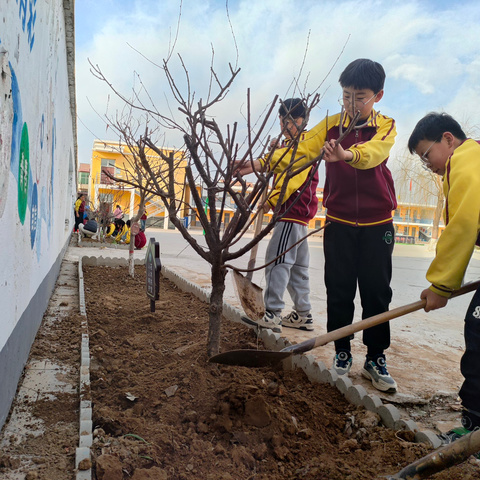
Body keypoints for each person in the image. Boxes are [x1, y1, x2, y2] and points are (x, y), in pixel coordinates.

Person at [241, 60, 397, 392]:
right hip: (339, 220)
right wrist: (260, 164)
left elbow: (374, 154)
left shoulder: (385, 126)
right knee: (339, 287)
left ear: (378, 96)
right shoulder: (329, 125)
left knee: (376, 292)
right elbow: (299, 153)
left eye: (360, 97)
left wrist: (346, 155)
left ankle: (375, 357)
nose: (351, 104)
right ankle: (342, 352)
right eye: (346, 96)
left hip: (377, 222)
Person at [407, 112, 480, 443]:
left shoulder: (466, 160)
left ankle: (475, 429)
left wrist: (441, 285)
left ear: (448, 139)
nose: (427, 166)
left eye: (426, 155)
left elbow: (463, 224)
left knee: (479, 333)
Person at [236, 98, 318, 333]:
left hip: (291, 212)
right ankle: (303, 314)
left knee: (278, 262)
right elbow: (276, 167)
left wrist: (271, 201)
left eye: (293, 120)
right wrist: (274, 153)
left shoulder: (304, 145)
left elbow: (292, 179)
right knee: (298, 268)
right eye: (283, 119)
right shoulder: (287, 144)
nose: (287, 124)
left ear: (303, 121)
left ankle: (272, 312)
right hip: (299, 215)